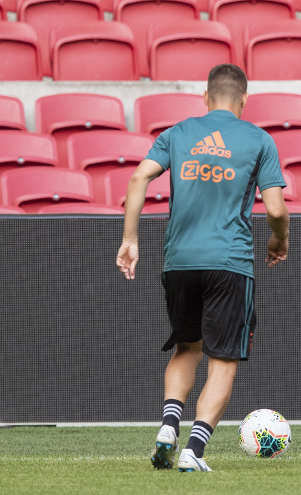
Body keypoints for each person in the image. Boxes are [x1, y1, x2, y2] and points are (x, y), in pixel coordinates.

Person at [115, 64, 290, 473]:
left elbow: (139, 177)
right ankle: (194, 450)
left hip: (179, 261)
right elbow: (277, 208)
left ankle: (167, 428)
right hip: (229, 262)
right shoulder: (259, 140)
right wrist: (280, 238)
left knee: (186, 347)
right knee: (223, 359)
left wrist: (130, 239)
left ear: (206, 97)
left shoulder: (177, 133)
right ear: (244, 99)